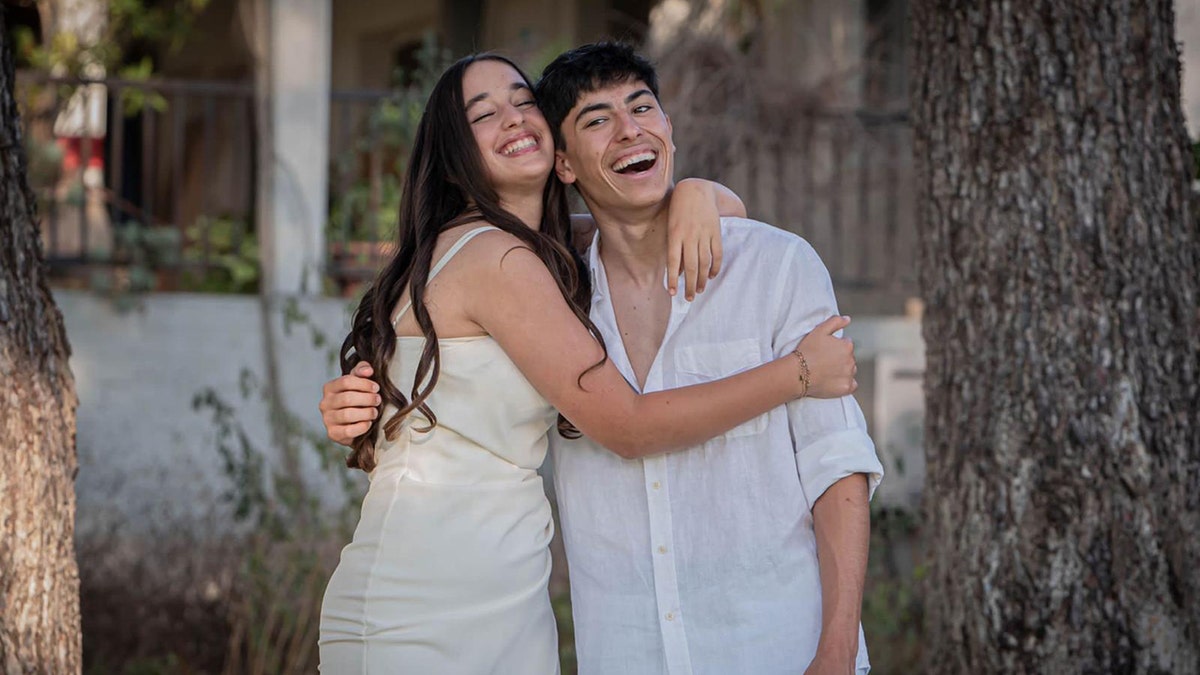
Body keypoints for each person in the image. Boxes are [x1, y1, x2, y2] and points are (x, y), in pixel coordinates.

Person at [316, 52, 858, 674]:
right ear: (454, 151)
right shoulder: (497, 260)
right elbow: (628, 426)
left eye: (523, 102)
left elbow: (634, 222)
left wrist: (698, 193)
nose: (515, 120)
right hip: (433, 596)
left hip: (494, 586)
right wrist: (801, 373)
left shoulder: (536, 253)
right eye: (484, 115)